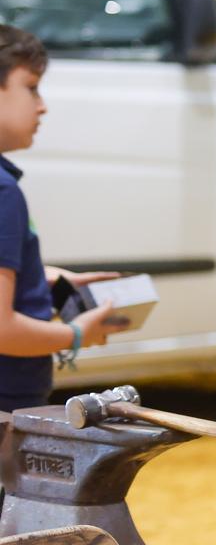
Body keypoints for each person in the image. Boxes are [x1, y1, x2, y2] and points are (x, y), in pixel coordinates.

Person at [0, 26, 126, 413]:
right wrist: (75, 334)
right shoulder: (3, 192)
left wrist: (47, 281)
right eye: (32, 87)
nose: (43, 105)